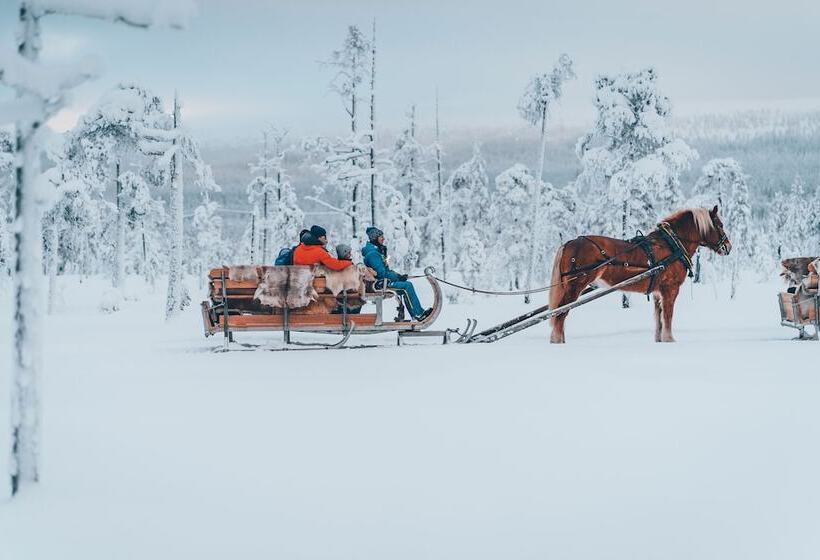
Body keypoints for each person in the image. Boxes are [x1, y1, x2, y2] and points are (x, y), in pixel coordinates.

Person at [361, 226, 432, 321]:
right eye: (381, 237)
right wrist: (398, 278)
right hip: (380, 284)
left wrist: (399, 276)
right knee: (407, 286)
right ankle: (418, 314)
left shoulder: (376, 252)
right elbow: (382, 274)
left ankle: (416, 314)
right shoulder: (373, 254)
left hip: (383, 281)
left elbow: (385, 271)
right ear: (375, 238)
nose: (384, 239)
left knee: (406, 286)